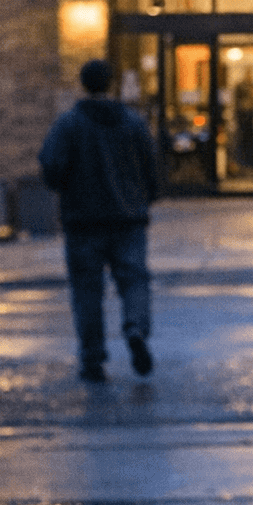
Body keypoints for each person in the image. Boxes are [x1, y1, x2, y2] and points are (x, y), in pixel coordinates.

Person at [39, 58, 162, 383]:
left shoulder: (69, 124)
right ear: (111, 84)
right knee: (135, 281)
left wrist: (68, 189)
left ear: (83, 83)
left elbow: (51, 167)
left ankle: (93, 358)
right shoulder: (133, 122)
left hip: (83, 223)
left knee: (86, 293)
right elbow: (152, 165)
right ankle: (135, 327)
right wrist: (145, 197)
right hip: (128, 220)